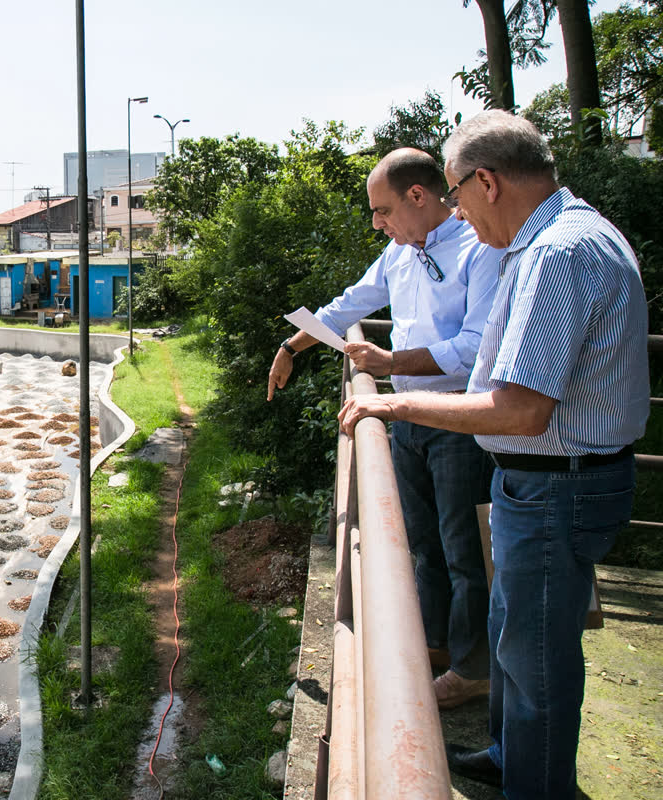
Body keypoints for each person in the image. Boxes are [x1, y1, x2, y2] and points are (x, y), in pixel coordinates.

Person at [338, 110, 649, 800]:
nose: (459, 214)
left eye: (458, 195)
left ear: (487, 181)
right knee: (514, 638)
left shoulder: (556, 255)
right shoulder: (569, 235)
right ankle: (512, 756)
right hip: (545, 481)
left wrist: (393, 401)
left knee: (536, 661)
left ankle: (534, 786)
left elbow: (519, 407)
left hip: (554, 486)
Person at [269, 148, 501, 708]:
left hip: (457, 422)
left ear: (417, 197)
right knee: (423, 542)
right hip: (407, 418)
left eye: (382, 210)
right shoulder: (399, 253)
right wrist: (290, 345)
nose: (377, 223)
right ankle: (437, 644)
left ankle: (473, 670)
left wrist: (390, 363)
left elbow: (474, 349)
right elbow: (351, 303)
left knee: (463, 548)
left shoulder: (480, 249)